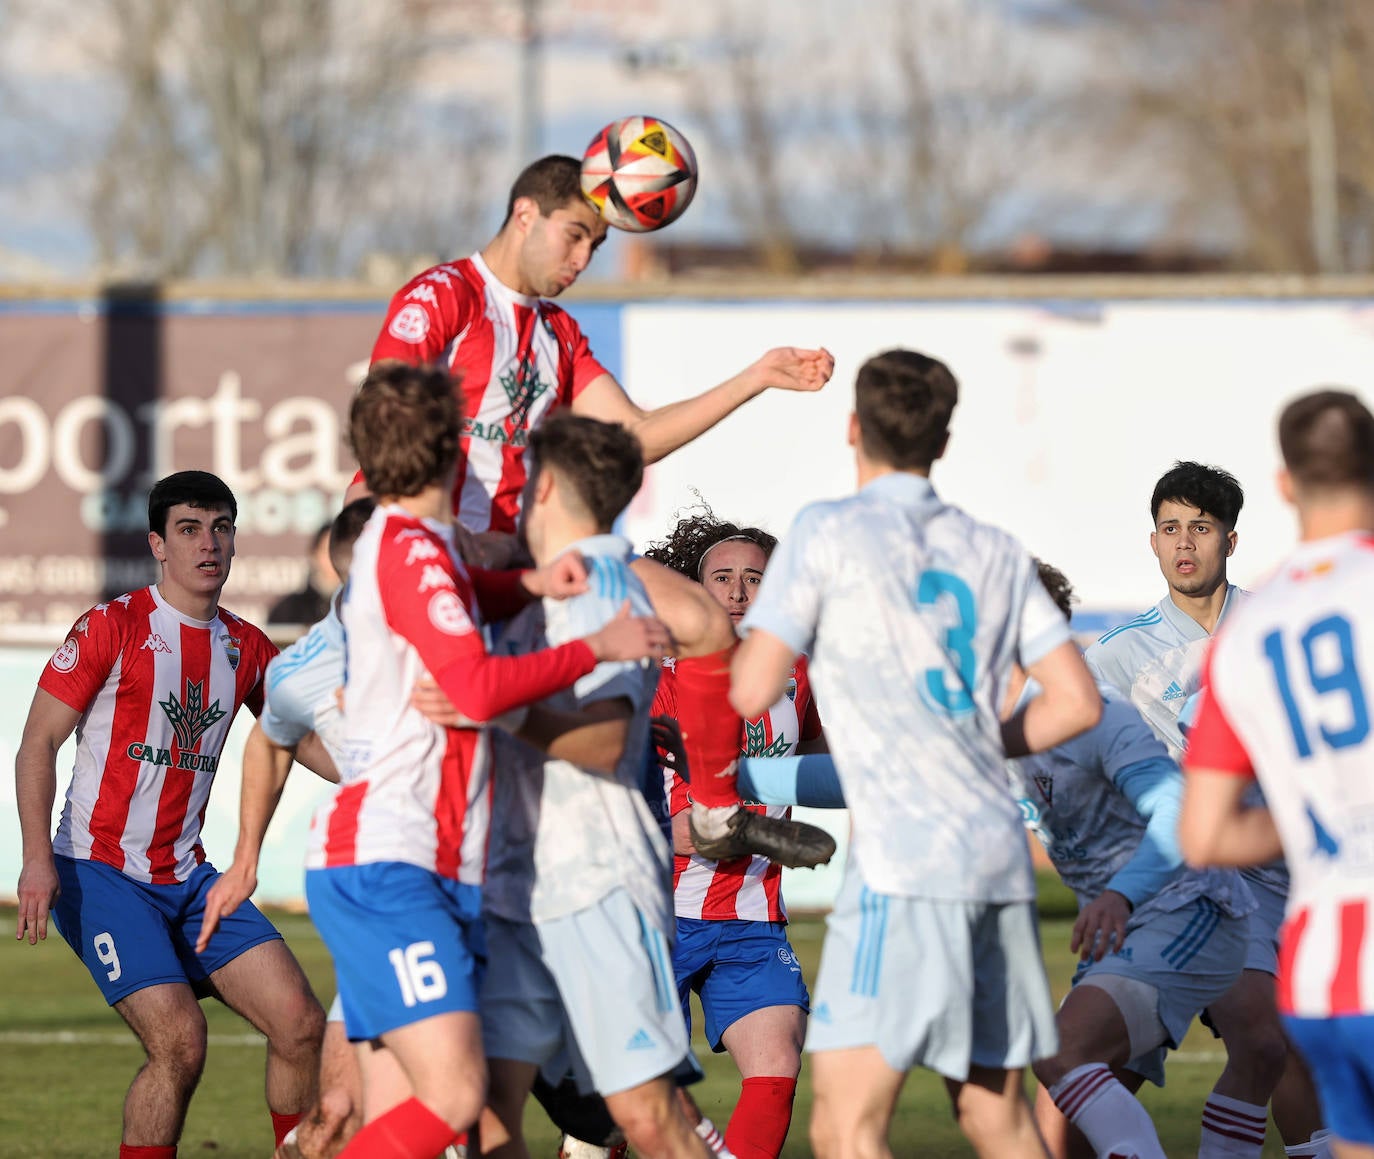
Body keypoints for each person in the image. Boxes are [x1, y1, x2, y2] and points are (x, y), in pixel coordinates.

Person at [366, 152, 835, 872]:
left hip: (544, 561)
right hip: (454, 561)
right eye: (575, 236)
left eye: (598, 244)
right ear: (526, 214)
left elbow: (635, 435)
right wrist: (420, 529)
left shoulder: (558, 334)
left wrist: (755, 378)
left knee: (703, 619)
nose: (584, 258)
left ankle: (712, 812)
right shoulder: (442, 298)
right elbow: (385, 422)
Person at [731, 348, 1102, 1158]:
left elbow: (754, 686)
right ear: (945, 438)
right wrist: (972, 740)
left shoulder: (826, 530)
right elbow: (1077, 701)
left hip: (902, 872)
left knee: (845, 1126)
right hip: (995, 869)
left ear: (854, 428)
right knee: (997, 1118)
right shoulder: (995, 547)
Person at [303, 365, 669, 1159]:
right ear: (454, 452)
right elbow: (470, 686)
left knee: (417, 1120)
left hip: (415, 861)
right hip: (394, 860)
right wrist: (592, 647)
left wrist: (532, 582)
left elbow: (470, 591)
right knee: (457, 1095)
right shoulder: (414, 551)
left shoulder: (411, 542)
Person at [13, 469, 327, 1159]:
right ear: (159, 543)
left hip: (189, 881)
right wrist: (36, 858)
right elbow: (36, 742)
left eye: (220, 528)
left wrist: (395, 766)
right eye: (189, 528)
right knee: (180, 1042)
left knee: (302, 1022)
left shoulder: (245, 646)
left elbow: (303, 740)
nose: (207, 543)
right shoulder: (112, 625)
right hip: (98, 872)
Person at [477, 412, 710, 1159]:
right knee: (483, 1111)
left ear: (542, 483)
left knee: (647, 1115)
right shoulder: (543, 582)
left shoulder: (601, 585)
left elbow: (604, 740)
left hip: (598, 884)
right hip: (517, 888)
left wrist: (494, 702)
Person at [1086, 461, 1327, 1159]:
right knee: (1260, 1041)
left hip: (1295, 871)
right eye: (1170, 528)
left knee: (1293, 1054)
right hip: (1194, 880)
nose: (1184, 541)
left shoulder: (1280, 627)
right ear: (1153, 542)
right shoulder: (1117, 657)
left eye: (1201, 526)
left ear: (1231, 538)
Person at [1179, 388, 1374, 1159]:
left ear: (1286, 483)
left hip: (1326, 968)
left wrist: (1308, 815)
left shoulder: (1247, 631)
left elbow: (1204, 830)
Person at [1010, 562, 1251, 1159]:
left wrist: (1121, 894)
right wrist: (742, 781)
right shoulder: (985, 721)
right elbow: (870, 779)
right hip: (1120, 930)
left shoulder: (1094, 713)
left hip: (1187, 906)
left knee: (1062, 1051)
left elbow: (1176, 811)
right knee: (1060, 1132)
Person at [196, 497, 374, 1159]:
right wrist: (245, 859)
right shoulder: (312, 661)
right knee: (446, 1092)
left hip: (453, 880)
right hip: (391, 883)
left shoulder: (454, 624)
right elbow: (270, 739)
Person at [644, 509, 824, 1159]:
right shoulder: (659, 672)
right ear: (698, 591)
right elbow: (649, 814)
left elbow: (826, 758)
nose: (741, 591)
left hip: (751, 916)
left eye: (757, 578)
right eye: (723, 577)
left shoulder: (799, 674)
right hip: (656, 911)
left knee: (778, 1064)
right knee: (631, 1099)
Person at [267, 522, 338, 627]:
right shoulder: (288, 610)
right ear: (314, 555)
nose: (333, 557)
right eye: (327, 550)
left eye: (338, 550)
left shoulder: (361, 604)